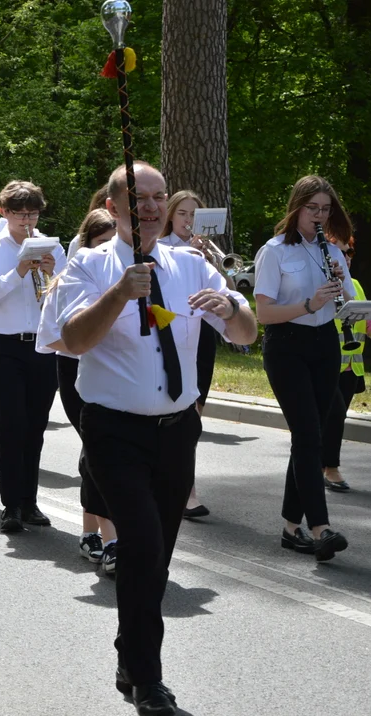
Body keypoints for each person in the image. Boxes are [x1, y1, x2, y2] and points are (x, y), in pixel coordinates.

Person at [58, 162, 256, 716]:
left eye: (157, 197)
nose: (149, 206)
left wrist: (234, 309)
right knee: (142, 544)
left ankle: (129, 651)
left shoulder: (190, 264)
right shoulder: (90, 267)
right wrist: (120, 294)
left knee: (158, 554)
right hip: (113, 427)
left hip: (177, 430)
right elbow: (71, 340)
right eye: (137, 198)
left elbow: (246, 332)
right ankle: (149, 677)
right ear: (114, 205)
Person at [254, 175, 356, 563]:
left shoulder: (330, 251)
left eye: (325, 209)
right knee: (309, 434)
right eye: (312, 208)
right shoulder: (274, 251)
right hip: (287, 347)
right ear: (296, 207)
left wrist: (343, 287)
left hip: (325, 343)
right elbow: (264, 313)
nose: (319, 215)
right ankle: (320, 529)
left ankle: (289, 529)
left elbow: (346, 298)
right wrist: (310, 304)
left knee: (310, 436)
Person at [0, 180, 65, 533]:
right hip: (4, 345)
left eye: (33, 213)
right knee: (11, 424)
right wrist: (19, 272)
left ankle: (30, 501)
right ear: (4, 213)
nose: (27, 221)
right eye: (20, 214)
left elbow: (69, 298)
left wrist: (54, 273)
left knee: (36, 427)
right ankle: (11, 505)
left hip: (42, 345)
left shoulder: (53, 247)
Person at [37, 208, 120, 574]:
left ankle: (91, 532)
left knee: (101, 453)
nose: (108, 251)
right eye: (102, 242)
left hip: (115, 374)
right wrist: (87, 341)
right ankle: (111, 538)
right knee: (99, 450)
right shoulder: (68, 280)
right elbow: (50, 338)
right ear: (86, 245)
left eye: (114, 243)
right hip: (76, 372)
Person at [321, 237, 371, 491]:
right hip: (322, 365)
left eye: (349, 252)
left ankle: (319, 465)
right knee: (331, 416)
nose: (346, 257)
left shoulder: (354, 284)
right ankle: (330, 468)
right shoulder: (318, 285)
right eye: (340, 252)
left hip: (350, 368)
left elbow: (370, 322)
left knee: (335, 418)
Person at [157, 190, 218, 519]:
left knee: (193, 415)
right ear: (171, 215)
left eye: (195, 215)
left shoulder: (205, 253)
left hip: (201, 334)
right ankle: (184, 490)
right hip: (171, 332)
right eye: (183, 213)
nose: (189, 221)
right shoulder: (161, 248)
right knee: (174, 413)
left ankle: (184, 486)